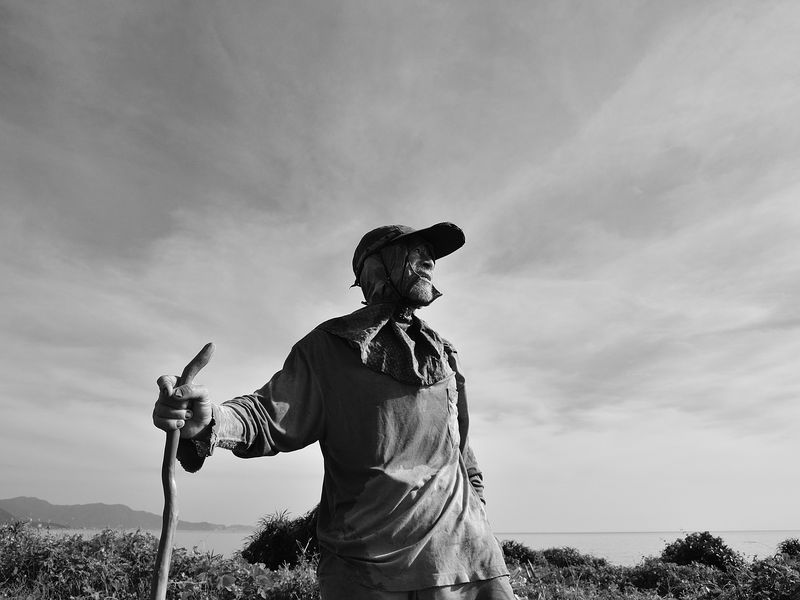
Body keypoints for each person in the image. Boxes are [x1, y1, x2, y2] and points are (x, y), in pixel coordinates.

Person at [153, 222, 515, 600]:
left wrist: (478, 514)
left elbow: (460, 449)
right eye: (414, 251)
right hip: (373, 575)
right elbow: (266, 414)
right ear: (374, 267)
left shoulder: (443, 353)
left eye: (431, 254)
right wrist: (209, 420)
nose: (429, 261)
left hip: (473, 565)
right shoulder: (329, 348)